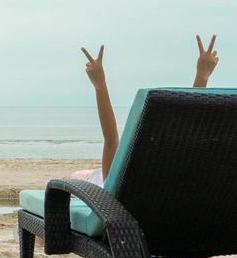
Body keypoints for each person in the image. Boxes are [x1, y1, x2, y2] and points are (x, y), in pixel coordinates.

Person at [71, 35, 220, 186]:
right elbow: (187, 130)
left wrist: (99, 85)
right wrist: (202, 76)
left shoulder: (118, 182)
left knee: (77, 176)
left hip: (96, 183)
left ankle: (88, 176)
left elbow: (111, 137)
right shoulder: (173, 176)